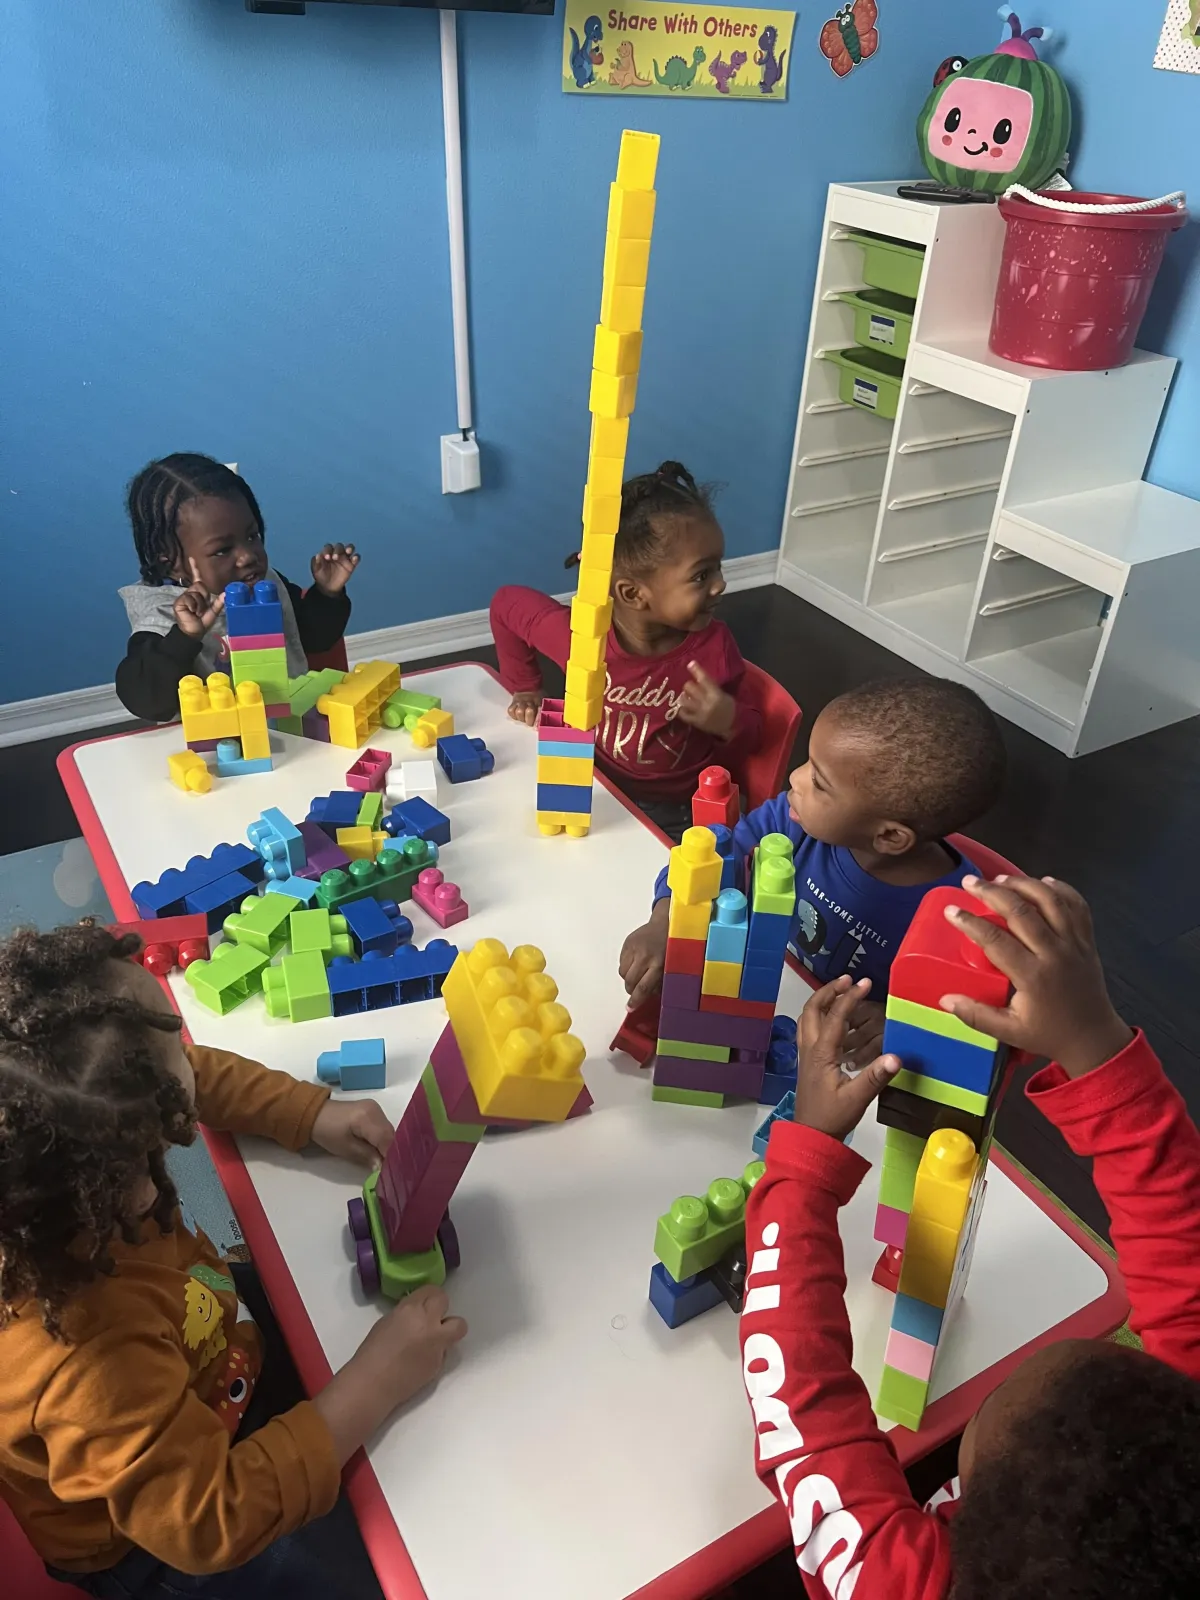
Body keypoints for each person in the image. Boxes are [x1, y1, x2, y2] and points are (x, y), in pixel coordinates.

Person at [742, 874, 1200, 1600]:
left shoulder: (899, 1584)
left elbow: (800, 1398)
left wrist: (802, 1162)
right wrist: (1092, 1043)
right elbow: (1183, 1244)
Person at [0, 925, 466, 1599]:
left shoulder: (71, 1138)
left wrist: (308, 1112)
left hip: (202, 1345)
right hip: (162, 1540)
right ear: (119, 1167)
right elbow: (210, 1521)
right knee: (388, 1573)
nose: (191, 1067)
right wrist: (374, 1383)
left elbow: (173, 1072)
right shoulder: (88, 1359)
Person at [619, 677, 1007, 1023]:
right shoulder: (791, 822)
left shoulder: (958, 918)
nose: (794, 778)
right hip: (760, 995)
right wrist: (665, 918)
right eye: (807, 762)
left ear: (889, 837)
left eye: (820, 783)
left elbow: (961, 1018)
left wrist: (894, 1024)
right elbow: (708, 858)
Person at [490, 461, 762, 841]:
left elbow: (754, 735)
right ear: (633, 594)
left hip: (678, 810)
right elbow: (507, 604)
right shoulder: (579, 637)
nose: (720, 585)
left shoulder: (714, 646)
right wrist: (524, 686)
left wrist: (728, 719)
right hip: (595, 790)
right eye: (702, 575)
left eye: (717, 568)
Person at [116, 453, 360, 723]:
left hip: (291, 725)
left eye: (252, 536)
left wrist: (326, 593)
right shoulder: (160, 615)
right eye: (222, 550)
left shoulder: (264, 581)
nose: (248, 556)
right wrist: (185, 637)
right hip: (219, 746)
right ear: (171, 562)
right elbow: (148, 703)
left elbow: (312, 640)